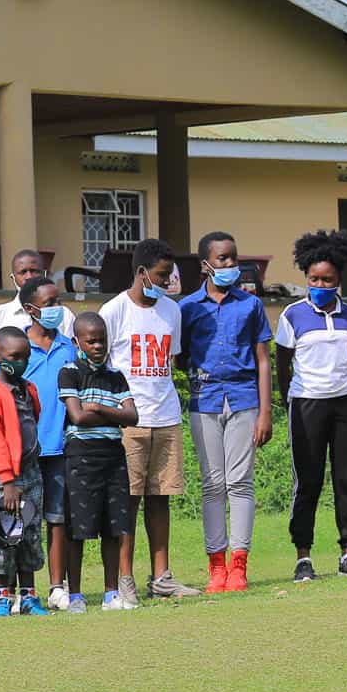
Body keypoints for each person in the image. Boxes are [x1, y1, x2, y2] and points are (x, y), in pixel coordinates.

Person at [99, 239, 202, 599]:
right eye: (161, 275)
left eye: (170, 275)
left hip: (166, 416)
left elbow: (170, 361)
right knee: (128, 499)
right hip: (129, 420)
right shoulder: (114, 311)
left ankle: (162, 577)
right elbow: (100, 366)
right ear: (142, 272)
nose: (167, 282)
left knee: (161, 498)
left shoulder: (171, 311)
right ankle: (125, 578)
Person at [178, 232, 274, 594]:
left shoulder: (250, 305)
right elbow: (180, 356)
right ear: (206, 264)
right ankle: (216, 567)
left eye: (234, 257)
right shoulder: (188, 308)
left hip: (244, 399)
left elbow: (263, 360)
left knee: (240, 482)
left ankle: (239, 565)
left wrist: (266, 411)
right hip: (204, 400)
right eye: (223, 259)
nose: (231, 264)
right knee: (212, 483)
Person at [275, 229, 347, 582]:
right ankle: (303, 557)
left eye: (327, 279)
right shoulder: (292, 315)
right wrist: (289, 399)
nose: (319, 284)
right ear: (306, 276)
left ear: (339, 279)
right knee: (308, 481)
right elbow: (282, 364)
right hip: (307, 406)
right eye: (313, 278)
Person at [57, 313, 141, 610]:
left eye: (102, 340)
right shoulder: (69, 373)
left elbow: (133, 416)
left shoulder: (116, 376)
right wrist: (111, 414)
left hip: (113, 457)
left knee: (114, 526)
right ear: (76, 342)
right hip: (81, 456)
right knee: (77, 529)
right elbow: (77, 417)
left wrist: (97, 407)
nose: (98, 346)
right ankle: (76, 595)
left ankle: (110, 593)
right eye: (91, 341)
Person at [16, 279, 79, 612]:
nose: (57, 308)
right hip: (26, 451)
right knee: (24, 519)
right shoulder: (18, 348)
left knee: (58, 519)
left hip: (60, 448)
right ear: (31, 309)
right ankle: (25, 589)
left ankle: (57, 586)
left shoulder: (69, 347)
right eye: (50, 303)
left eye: (59, 300)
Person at [0, 328, 49, 615]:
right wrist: (7, 481)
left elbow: (33, 422)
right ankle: (2, 599)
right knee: (4, 534)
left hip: (31, 473)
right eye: (14, 357)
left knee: (30, 534)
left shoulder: (28, 389)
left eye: (25, 357)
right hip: (3, 478)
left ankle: (29, 597)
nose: (21, 362)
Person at [0, 250, 77, 338]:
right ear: (13, 277)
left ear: (44, 274)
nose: (29, 277)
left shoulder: (64, 314)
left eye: (34, 271)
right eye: (23, 272)